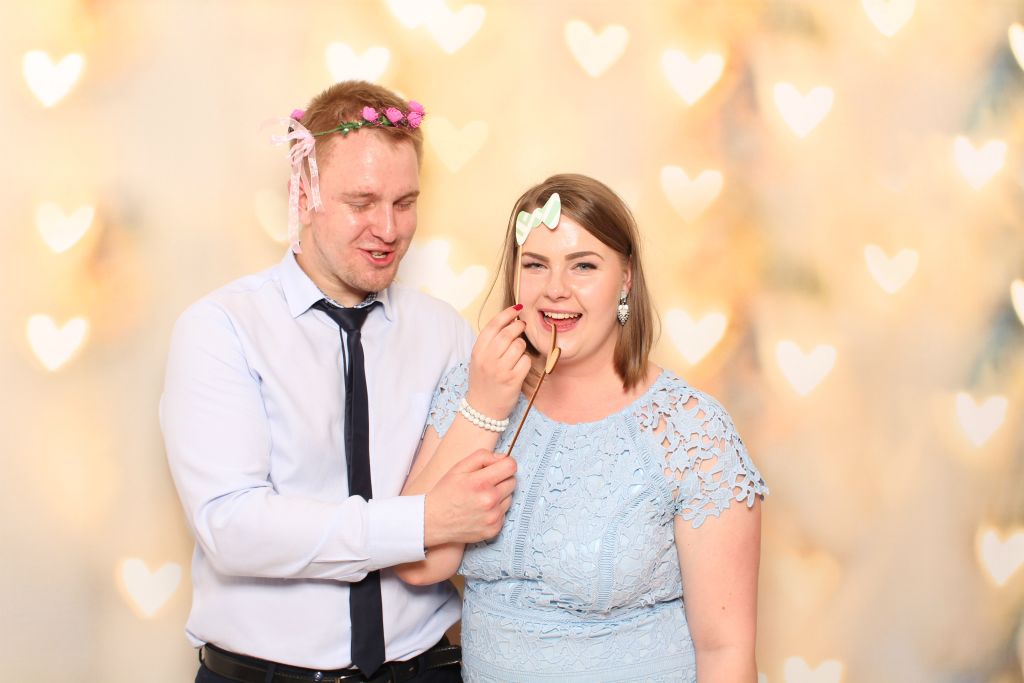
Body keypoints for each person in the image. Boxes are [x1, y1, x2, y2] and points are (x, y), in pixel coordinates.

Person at [161, 80, 518, 683]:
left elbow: (486, 498)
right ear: (304, 193)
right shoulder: (222, 329)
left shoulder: (445, 333)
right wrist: (421, 522)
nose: (389, 228)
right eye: (362, 202)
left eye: (405, 202)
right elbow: (234, 527)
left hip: (427, 668)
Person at [395, 174, 769, 682]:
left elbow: (725, 649)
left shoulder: (689, 429)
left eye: (584, 266)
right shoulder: (471, 387)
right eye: (535, 265)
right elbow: (419, 564)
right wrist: (484, 406)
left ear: (626, 279)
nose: (555, 289)